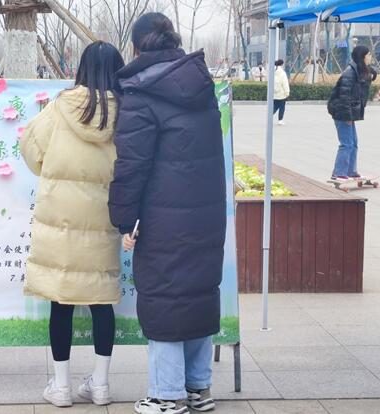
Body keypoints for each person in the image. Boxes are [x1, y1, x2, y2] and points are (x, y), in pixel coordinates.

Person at [109, 12, 226, 414]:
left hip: (163, 216)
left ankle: (166, 395)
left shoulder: (142, 92)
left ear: (136, 47)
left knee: (165, 297)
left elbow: (131, 166)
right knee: (196, 293)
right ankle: (199, 390)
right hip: (206, 213)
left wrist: (124, 219)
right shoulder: (202, 84)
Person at [20, 41, 124, 408]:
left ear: (82, 68)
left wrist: (50, 170)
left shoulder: (60, 107)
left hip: (60, 220)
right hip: (103, 218)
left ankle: (61, 387)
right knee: (101, 300)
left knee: (61, 301)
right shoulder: (127, 111)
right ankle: (101, 385)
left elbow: (30, 148)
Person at [327, 45, 374, 180]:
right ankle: (338, 173)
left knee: (353, 143)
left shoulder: (358, 70)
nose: (370, 57)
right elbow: (344, 96)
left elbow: (365, 81)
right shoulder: (350, 72)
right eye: (369, 54)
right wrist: (347, 116)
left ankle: (350, 171)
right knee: (346, 143)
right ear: (363, 56)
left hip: (348, 113)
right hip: (342, 113)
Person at [273, 59, 290, 125]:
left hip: (274, 94)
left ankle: (269, 116)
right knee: (282, 107)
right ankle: (280, 120)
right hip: (282, 94)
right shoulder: (282, 73)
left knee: (275, 106)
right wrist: (287, 92)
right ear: (282, 64)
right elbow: (285, 84)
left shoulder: (273, 72)